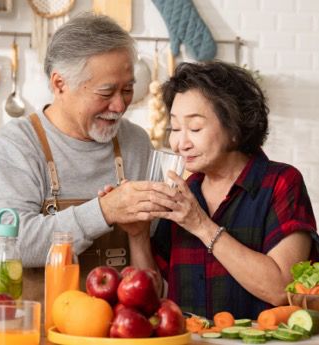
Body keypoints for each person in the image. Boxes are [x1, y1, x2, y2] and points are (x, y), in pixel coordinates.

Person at [0, 12, 158, 300]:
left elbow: (155, 251)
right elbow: (10, 243)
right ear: (60, 85)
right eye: (106, 91)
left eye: (128, 89)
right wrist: (104, 211)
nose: (120, 105)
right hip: (33, 334)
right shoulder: (14, 147)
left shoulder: (136, 143)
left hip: (120, 334)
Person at [128, 61, 319, 320]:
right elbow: (154, 296)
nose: (179, 143)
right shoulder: (185, 193)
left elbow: (282, 289)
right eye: (174, 128)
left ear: (234, 129)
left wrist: (202, 226)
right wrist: (138, 235)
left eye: (194, 128)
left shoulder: (280, 183)